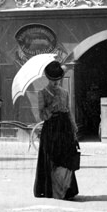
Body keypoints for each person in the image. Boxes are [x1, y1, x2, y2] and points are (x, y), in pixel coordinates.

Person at [34, 61, 80, 200]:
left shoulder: (64, 93)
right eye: (53, 80)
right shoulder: (42, 93)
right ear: (48, 79)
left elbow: (68, 111)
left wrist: (73, 127)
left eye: (58, 80)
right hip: (51, 129)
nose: (55, 83)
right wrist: (51, 107)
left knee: (66, 158)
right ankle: (53, 191)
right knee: (52, 159)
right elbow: (42, 116)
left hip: (65, 128)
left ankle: (66, 190)